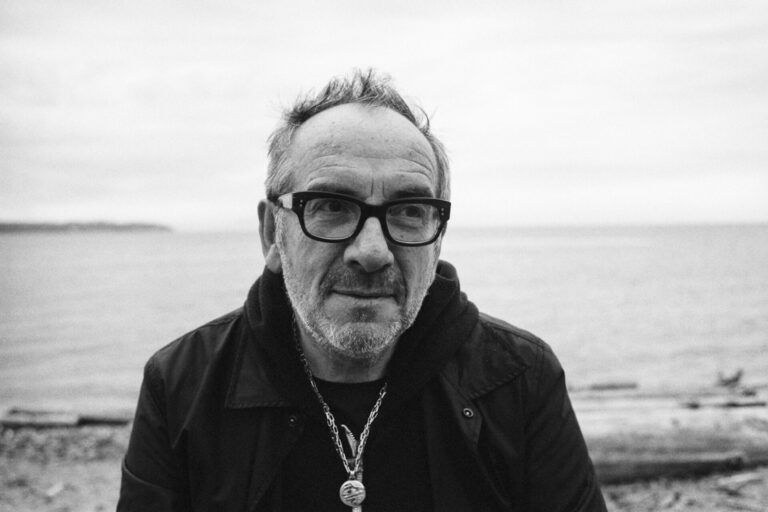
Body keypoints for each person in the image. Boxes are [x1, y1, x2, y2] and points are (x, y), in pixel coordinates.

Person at [118, 69, 607, 511]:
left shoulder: (519, 378)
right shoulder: (183, 383)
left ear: (437, 239)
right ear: (272, 234)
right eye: (331, 205)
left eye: (410, 211)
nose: (371, 251)